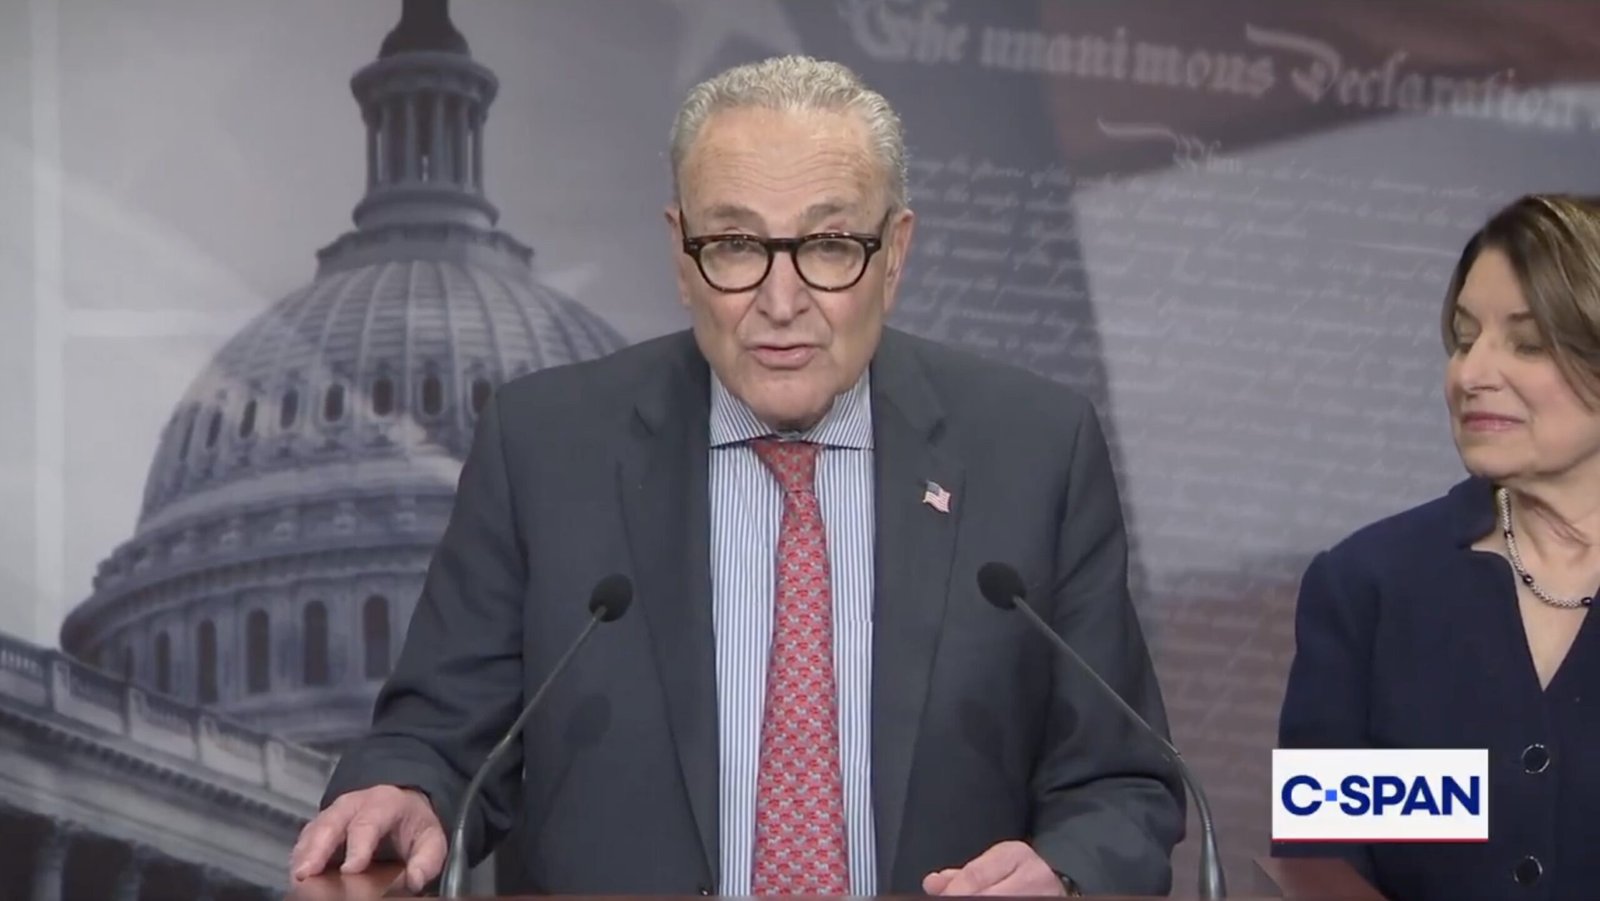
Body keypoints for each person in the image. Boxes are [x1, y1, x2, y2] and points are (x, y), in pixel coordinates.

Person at [288, 54, 1184, 897]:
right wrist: (406, 789)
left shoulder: (1033, 451)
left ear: (896, 253)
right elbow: (436, 737)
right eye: (734, 243)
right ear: (682, 254)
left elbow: (1121, 785)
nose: (780, 301)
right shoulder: (545, 447)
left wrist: (1066, 872)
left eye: (829, 244)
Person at [1273, 193, 1600, 900]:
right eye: (1462, 338)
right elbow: (1321, 862)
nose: (1471, 374)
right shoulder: (1371, 588)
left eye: (1527, 343)